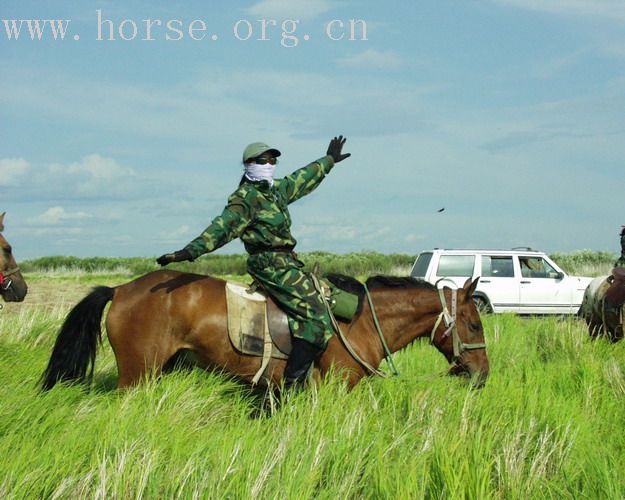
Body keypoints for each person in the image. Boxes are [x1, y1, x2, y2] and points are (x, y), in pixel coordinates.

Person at [157, 136, 351, 390]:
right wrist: (190, 251)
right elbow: (222, 228)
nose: (270, 164)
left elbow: (301, 179)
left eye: (273, 160)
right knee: (316, 317)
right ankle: (291, 386)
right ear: (249, 164)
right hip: (269, 264)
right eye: (263, 160)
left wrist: (328, 161)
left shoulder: (275, 191)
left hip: (288, 262)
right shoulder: (245, 197)